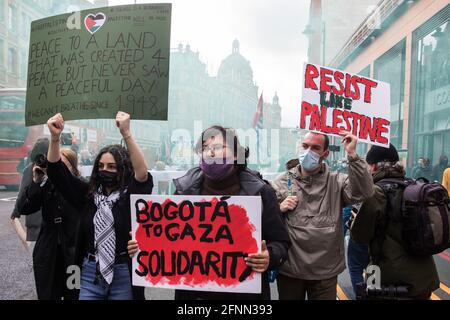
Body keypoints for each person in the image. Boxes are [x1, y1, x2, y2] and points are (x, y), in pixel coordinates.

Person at [128, 125, 291, 300]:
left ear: (237, 154)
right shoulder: (185, 192)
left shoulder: (260, 192)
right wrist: (143, 245)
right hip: (193, 296)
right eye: (205, 148)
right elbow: (170, 240)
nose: (210, 153)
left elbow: (280, 242)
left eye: (218, 147)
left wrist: (269, 256)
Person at [45, 112, 153, 300]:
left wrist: (127, 134)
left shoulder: (131, 197)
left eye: (112, 167)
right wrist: (55, 138)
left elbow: (142, 173)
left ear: (123, 169)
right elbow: (56, 172)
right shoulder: (87, 195)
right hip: (88, 273)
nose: (105, 170)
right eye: (101, 166)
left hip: (123, 274)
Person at [270, 130, 373, 300]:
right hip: (290, 269)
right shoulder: (282, 181)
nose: (308, 151)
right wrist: (279, 209)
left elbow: (365, 192)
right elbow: (265, 219)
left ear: (325, 154)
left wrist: (352, 155)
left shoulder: (337, 181)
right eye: (305, 146)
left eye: (315, 148)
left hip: (324, 272)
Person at [350, 143, 439, 299]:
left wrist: (355, 220)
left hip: (387, 280)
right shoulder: (415, 186)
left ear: (374, 166)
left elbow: (359, 237)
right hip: (424, 277)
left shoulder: (375, 192)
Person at [17, 149, 81, 300]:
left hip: (72, 253)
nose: (57, 169)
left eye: (62, 165)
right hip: (48, 251)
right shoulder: (46, 185)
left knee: (74, 293)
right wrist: (36, 181)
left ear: (72, 167)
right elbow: (25, 208)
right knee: (48, 295)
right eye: (55, 164)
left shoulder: (80, 186)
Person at [10, 138, 49, 249]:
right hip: (44, 220)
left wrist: (16, 211)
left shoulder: (31, 168)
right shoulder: (33, 169)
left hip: (37, 220)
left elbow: (23, 192)